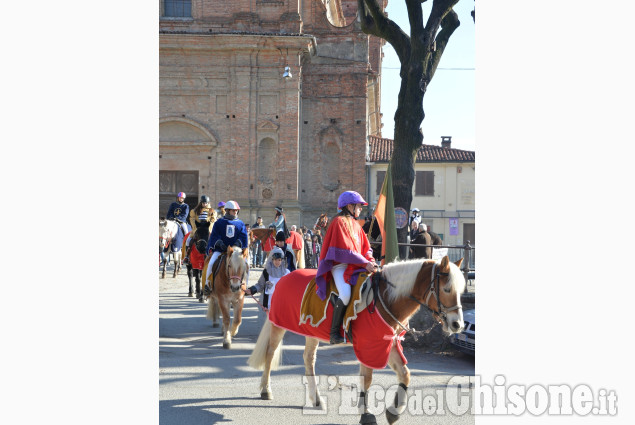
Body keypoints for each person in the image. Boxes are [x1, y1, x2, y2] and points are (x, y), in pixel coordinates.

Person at [316, 190, 377, 344]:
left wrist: (370, 260)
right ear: (349, 206)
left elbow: (366, 248)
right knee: (345, 294)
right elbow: (346, 252)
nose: (361, 209)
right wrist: (365, 263)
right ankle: (334, 332)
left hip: (357, 266)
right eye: (359, 206)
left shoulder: (356, 225)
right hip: (341, 266)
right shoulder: (338, 222)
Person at [205, 200, 249, 288]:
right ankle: (207, 285)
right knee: (210, 264)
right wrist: (220, 244)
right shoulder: (219, 223)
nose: (235, 212)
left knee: (247, 264)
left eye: (236, 210)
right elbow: (214, 236)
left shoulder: (240, 224)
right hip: (221, 251)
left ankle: (245, 285)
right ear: (228, 210)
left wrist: (237, 244)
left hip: (236, 252)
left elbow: (243, 236)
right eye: (233, 210)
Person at [244, 246, 290, 311]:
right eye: (275, 259)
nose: (277, 262)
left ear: (282, 260)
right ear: (271, 259)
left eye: (279, 260)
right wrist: (251, 290)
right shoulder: (267, 272)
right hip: (270, 304)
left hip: (283, 304)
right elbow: (260, 285)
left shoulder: (287, 273)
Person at [185, 195, 217, 263]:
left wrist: (209, 229)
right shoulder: (195, 210)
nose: (204, 204)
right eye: (203, 203)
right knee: (188, 240)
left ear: (208, 203)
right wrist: (195, 228)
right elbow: (192, 219)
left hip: (207, 230)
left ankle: (214, 255)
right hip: (198, 229)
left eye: (206, 203)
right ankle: (187, 256)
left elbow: (213, 220)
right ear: (201, 203)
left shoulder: (212, 211)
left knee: (215, 241)